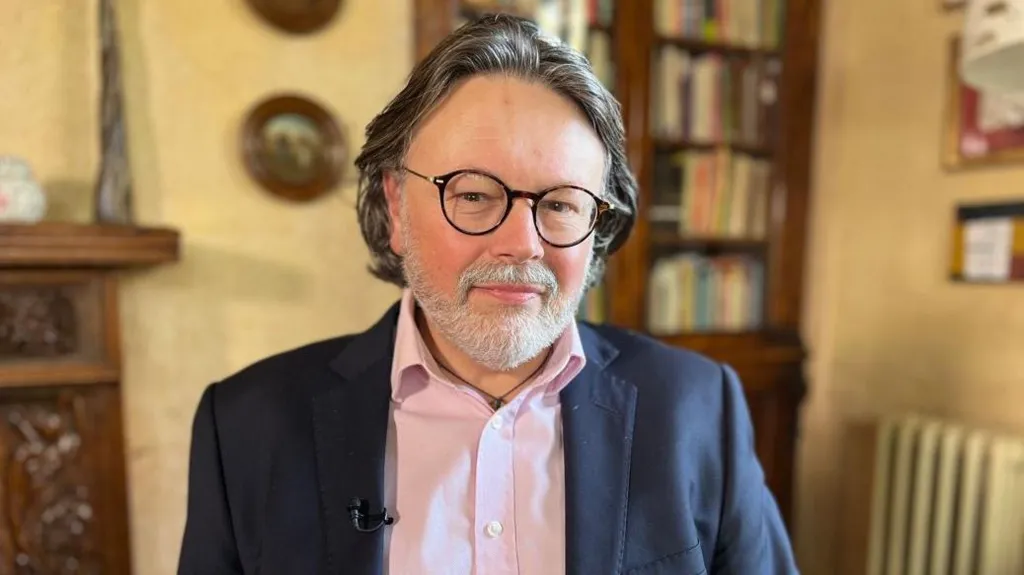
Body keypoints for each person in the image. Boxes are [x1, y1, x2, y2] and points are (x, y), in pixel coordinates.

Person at [177, 13, 799, 575]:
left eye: (558, 204)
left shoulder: (697, 408)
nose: (521, 244)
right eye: (473, 195)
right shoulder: (246, 426)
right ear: (396, 207)